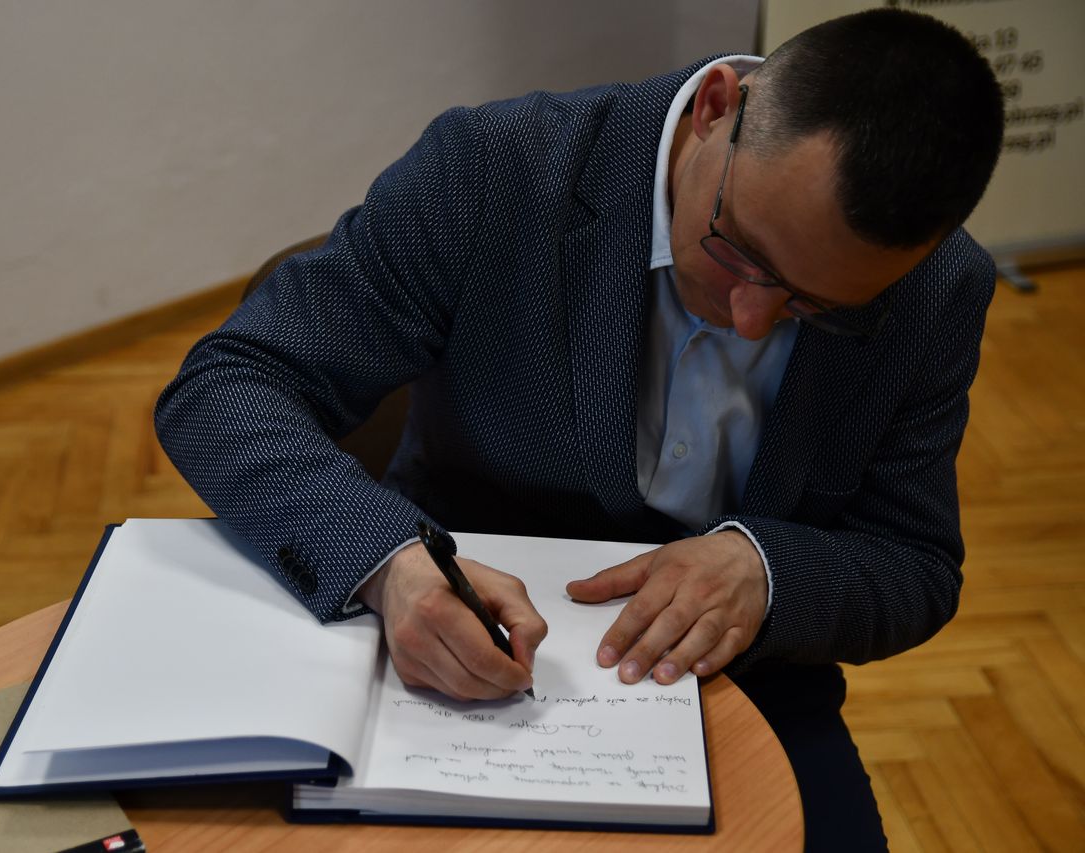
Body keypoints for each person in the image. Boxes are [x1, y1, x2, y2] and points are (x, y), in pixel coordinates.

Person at [155, 8, 1003, 850]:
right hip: (448, 639)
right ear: (716, 108)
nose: (750, 320)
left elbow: (915, 562)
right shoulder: (495, 170)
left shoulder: (937, 290)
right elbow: (229, 385)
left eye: (813, 307)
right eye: (741, 250)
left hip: (747, 680)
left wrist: (767, 569)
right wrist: (389, 563)